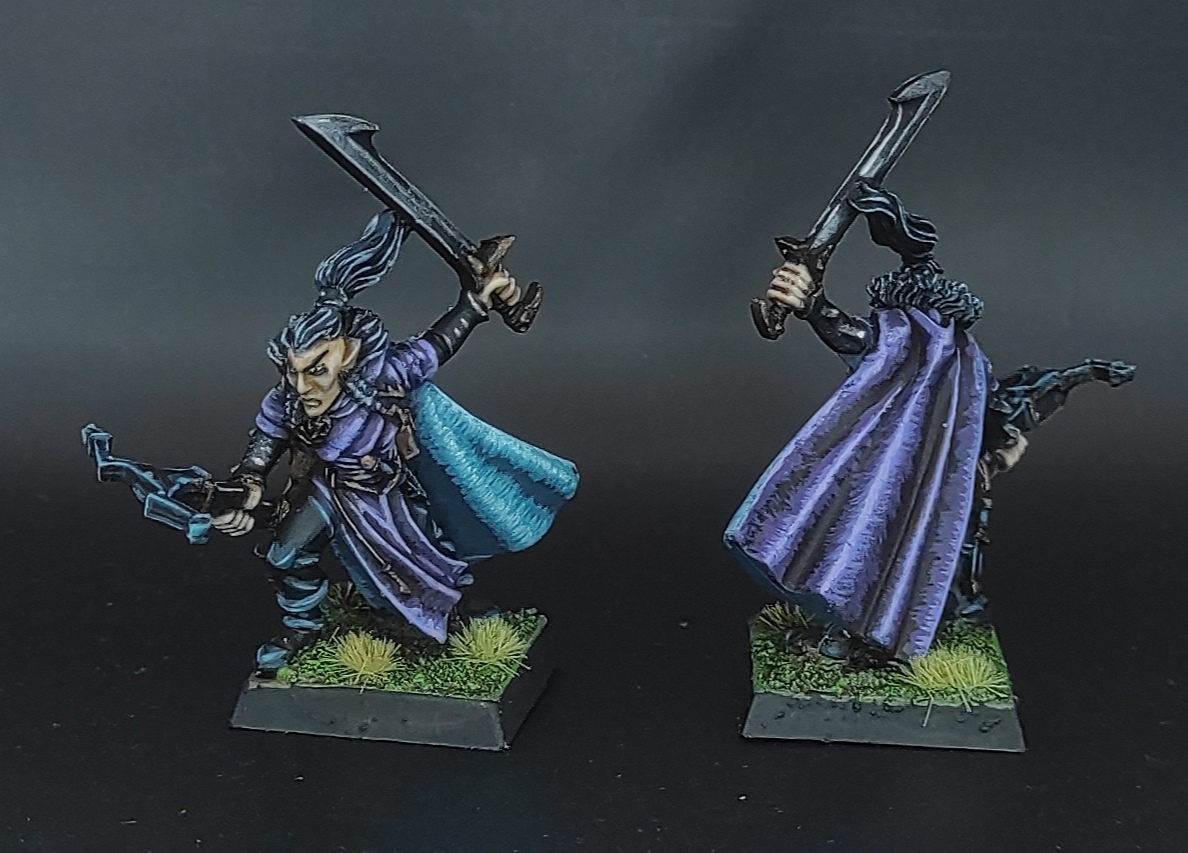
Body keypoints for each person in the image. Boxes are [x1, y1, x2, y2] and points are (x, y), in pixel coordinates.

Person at [211, 211, 578, 675]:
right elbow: (265, 444)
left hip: (388, 493)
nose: (303, 385)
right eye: (293, 370)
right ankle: (303, 626)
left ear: (347, 354)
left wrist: (477, 300)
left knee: (433, 561)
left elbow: (439, 341)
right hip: (330, 492)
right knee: (285, 555)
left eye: (316, 369)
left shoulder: (386, 375)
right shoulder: (288, 397)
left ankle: (469, 613)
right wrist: (246, 485)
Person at [724, 186, 1025, 662]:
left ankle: (856, 637)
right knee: (894, 546)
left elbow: (856, 337)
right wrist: (1005, 444)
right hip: (921, 479)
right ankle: (870, 630)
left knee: (860, 539)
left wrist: (812, 303)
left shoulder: (917, 334)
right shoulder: (969, 356)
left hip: (896, 473)